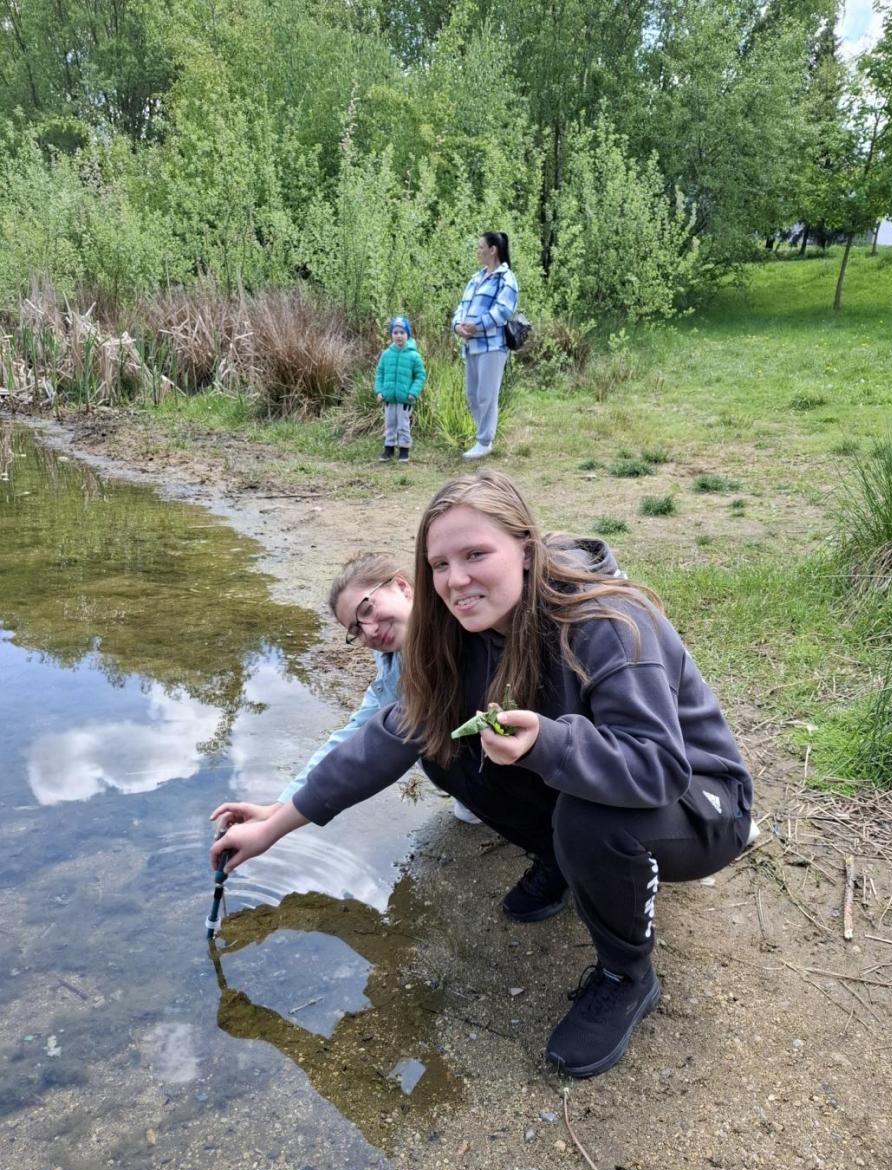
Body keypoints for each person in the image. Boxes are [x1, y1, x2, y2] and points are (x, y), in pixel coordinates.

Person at [211, 470, 757, 1080]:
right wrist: (276, 823)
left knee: (588, 816)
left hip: (703, 802)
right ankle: (563, 861)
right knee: (442, 747)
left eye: (475, 555)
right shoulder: (460, 636)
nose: (456, 580)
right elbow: (385, 739)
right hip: (617, 786)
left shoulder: (607, 619)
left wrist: (550, 742)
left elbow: (657, 766)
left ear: (525, 548)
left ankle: (626, 975)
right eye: (440, 565)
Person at [210, 552, 480, 828]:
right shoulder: (391, 664)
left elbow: (371, 758)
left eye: (367, 609)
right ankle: (473, 797)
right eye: (356, 630)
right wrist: (281, 807)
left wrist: (273, 829)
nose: (371, 630)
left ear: (402, 586)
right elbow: (353, 735)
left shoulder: (465, 624)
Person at [452, 232, 518, 461]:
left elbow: (502, 311)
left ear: (493, 250)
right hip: (471, 346)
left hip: (492, 346)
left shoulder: (506, 278)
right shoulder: (476, 278)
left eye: (481, 247)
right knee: (472, 394)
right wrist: (457, 326)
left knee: (486, 395)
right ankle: (482, 437)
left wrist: (476, 325)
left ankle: (484, 441)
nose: (477, 251)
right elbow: (461, 306)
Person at [375, 315, 425, 463]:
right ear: (391, 335)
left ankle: (404, 450)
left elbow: (420, 376)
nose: (399, 336)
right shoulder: (386, 354)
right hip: (389, 397)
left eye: (402, 332)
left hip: (405, 398)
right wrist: (379, 391)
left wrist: (413, 392)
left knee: (403, 425)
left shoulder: (414, 356)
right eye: (395, 332)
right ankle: (388, 449)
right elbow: (379, 373)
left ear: (407, 335)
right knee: (389, 424)